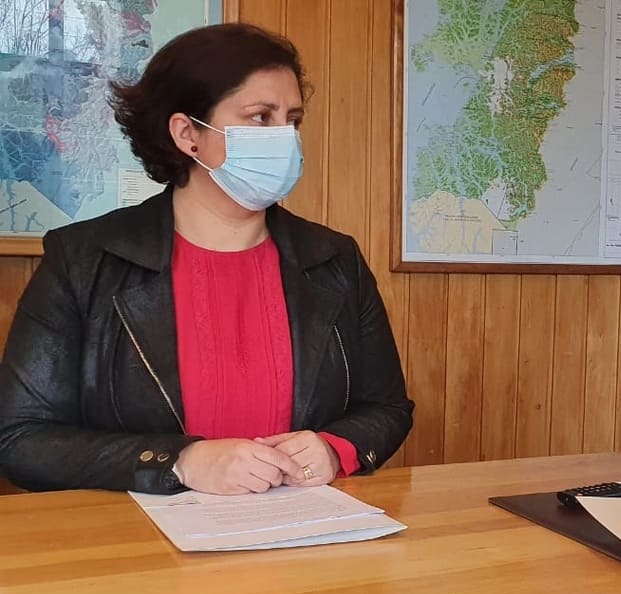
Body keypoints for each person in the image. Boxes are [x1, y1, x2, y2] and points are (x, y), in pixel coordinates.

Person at [0, 23, 413, 496]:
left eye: (293, 120)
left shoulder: (334, 258)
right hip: (135, 535)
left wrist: (335, 448)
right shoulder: (83, 260)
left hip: (301, 529)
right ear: (187, 134)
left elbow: (387, 408)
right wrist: (179, 461)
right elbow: (20, 439)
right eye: (261, 117)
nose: (286, 138)